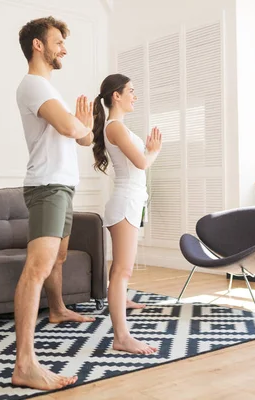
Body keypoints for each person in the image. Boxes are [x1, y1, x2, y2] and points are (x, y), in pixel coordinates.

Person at [12, 16, 95, 390]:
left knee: (58, 258)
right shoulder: (33, 85)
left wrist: (82, 126)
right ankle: (25, 364)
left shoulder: (49, 89)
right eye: (58, 41)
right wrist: (80, 125)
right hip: (47, 186)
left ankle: (58, 310)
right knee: (37, 268)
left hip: (63, 185)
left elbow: (83, 138)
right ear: (38, 45)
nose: (64, 48)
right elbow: (71, 130)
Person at [92, 74, 162, 355]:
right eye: (131, 91)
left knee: (122, 270)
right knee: (122, 270)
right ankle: (121, 338)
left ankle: (120, 300)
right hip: (124, 204)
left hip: (130, 202)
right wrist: (153, 151)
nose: (135, 95)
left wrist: (148, 152)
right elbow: (142, 162)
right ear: (116, 95)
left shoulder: (117, 127)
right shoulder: (116, 127)